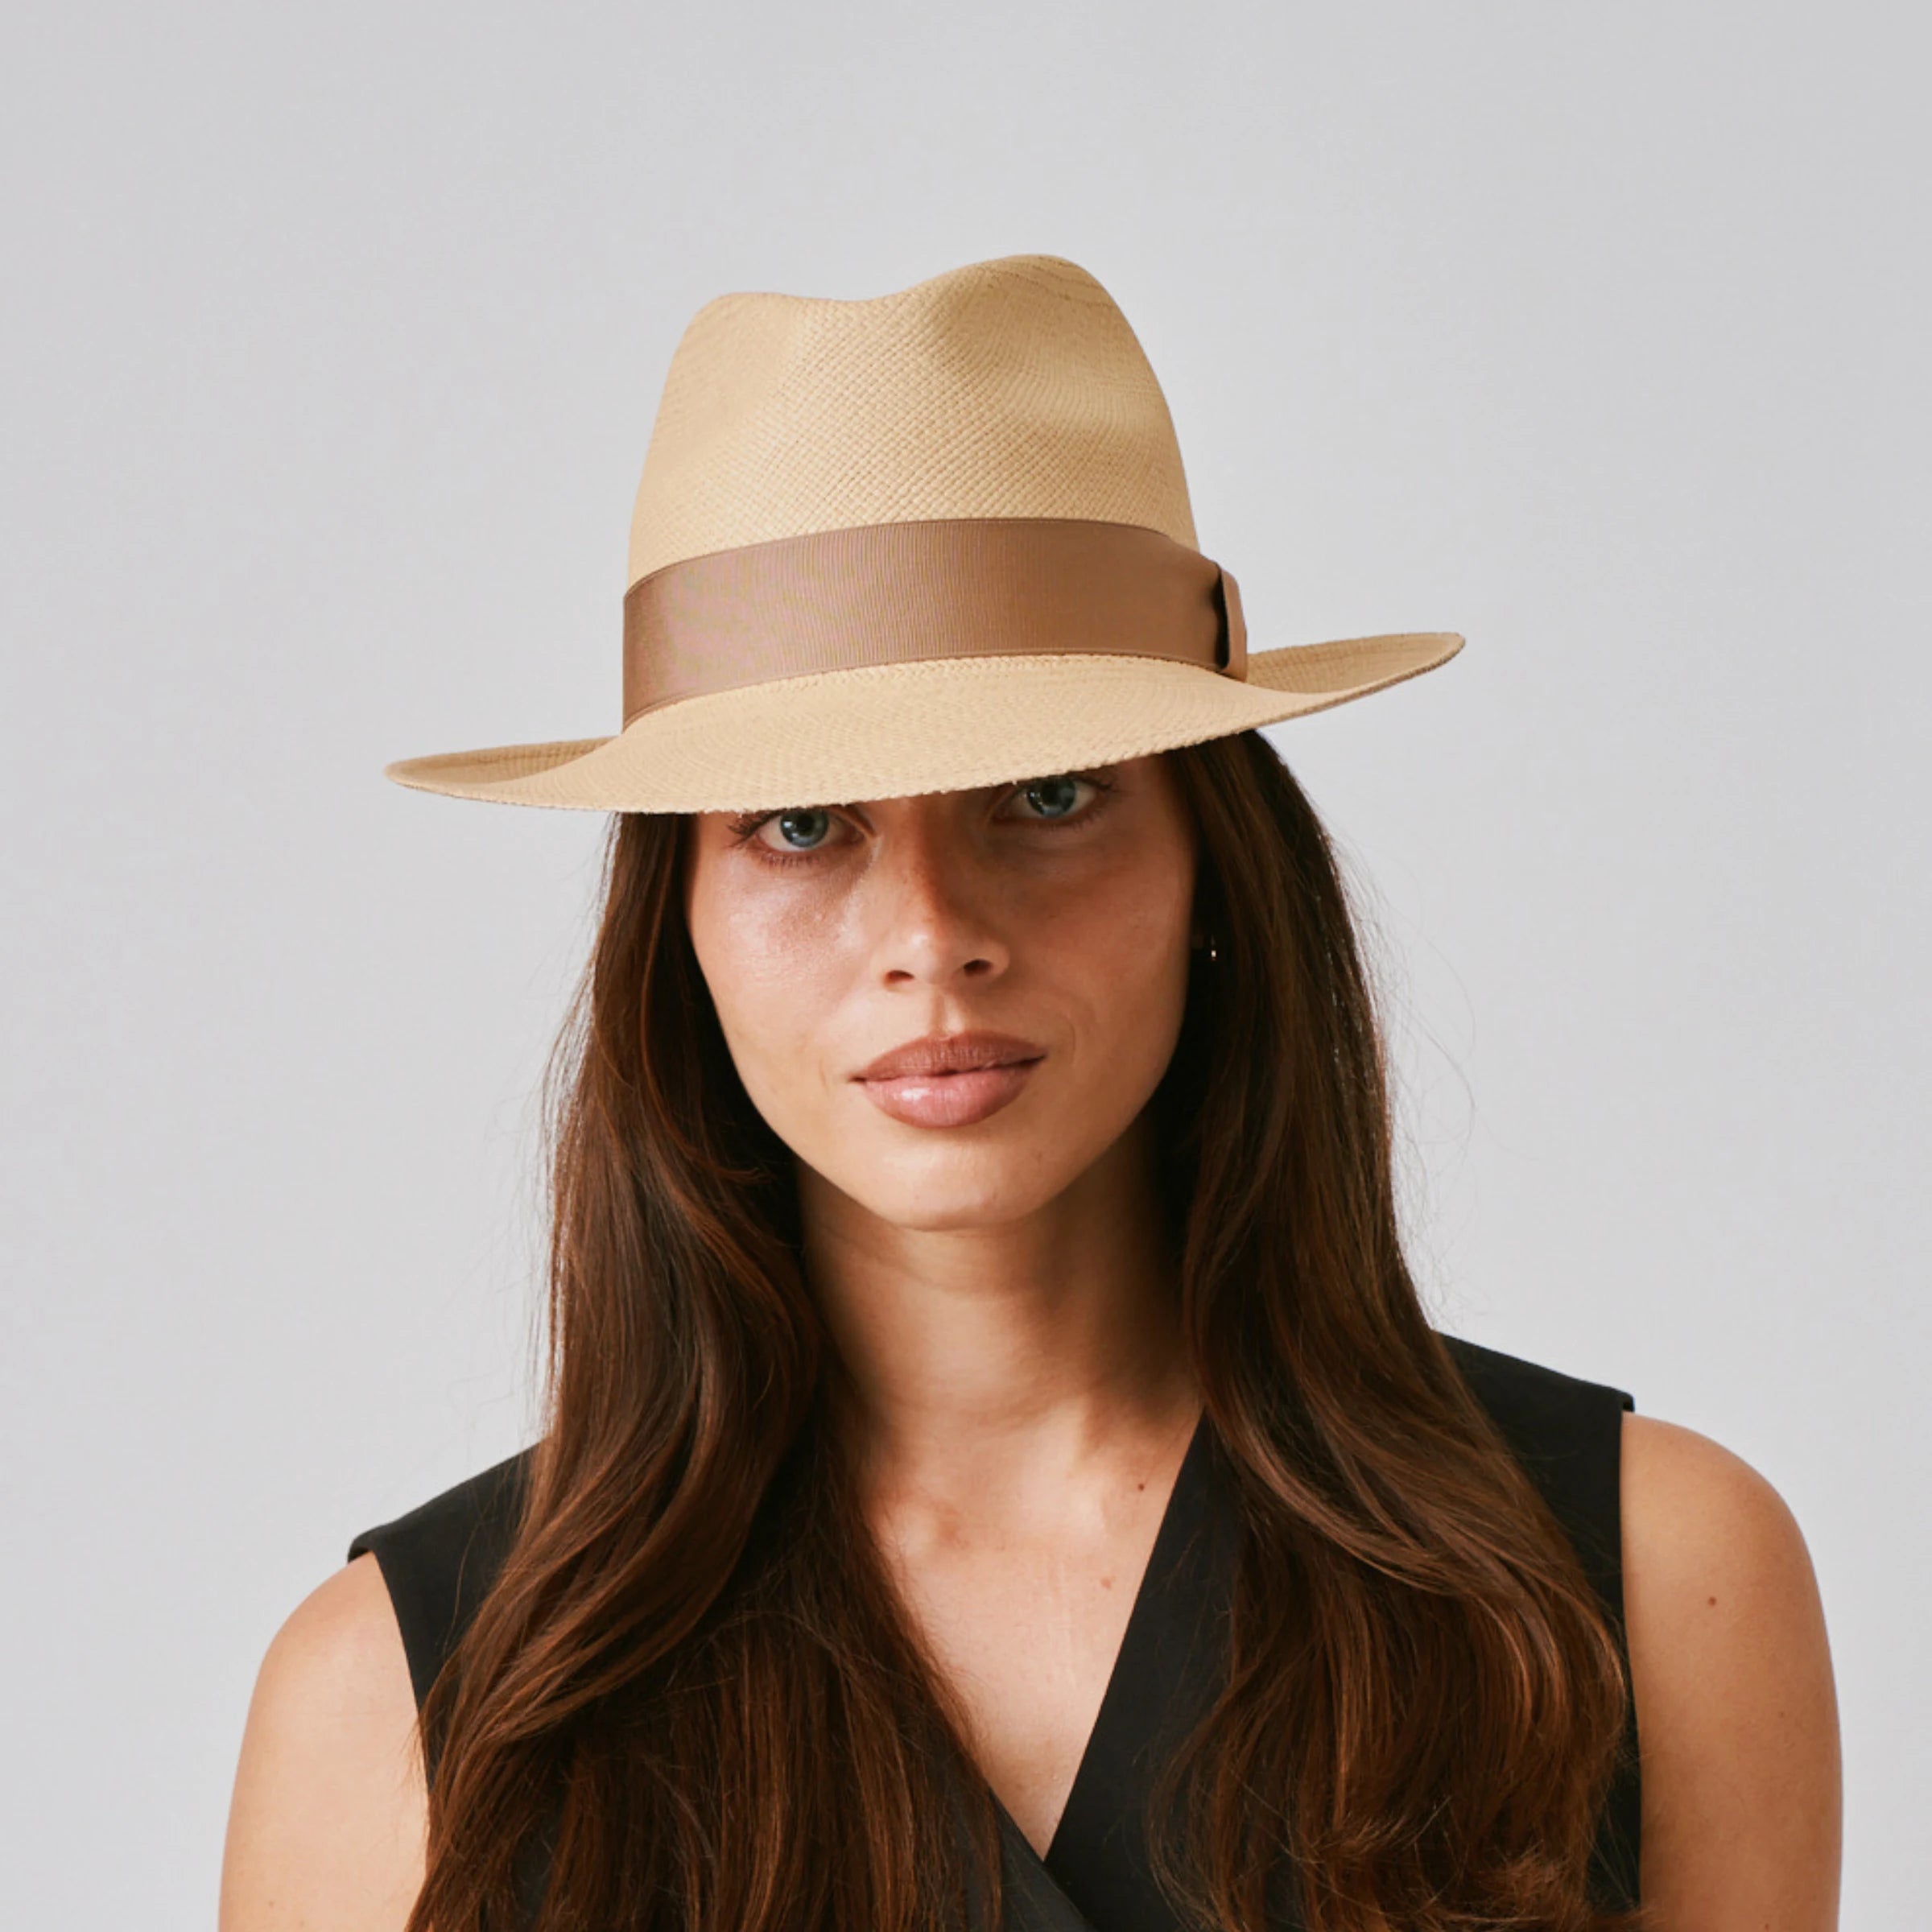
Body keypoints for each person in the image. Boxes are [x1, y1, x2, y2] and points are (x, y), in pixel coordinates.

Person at [218, 254, 1841, 1932]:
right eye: (800, 823)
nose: (934, 937)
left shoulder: (1650, 1584)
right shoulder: (396, 1717)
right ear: (673, 924)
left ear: (1215, 855)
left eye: (1050, 792)